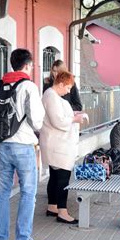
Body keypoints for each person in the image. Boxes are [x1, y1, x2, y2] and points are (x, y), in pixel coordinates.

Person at [0, 48, 45, 240]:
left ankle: (1, 237)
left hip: (1, 146)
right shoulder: (28, 86)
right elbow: (37, 121)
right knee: (28, 192)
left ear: (12, 64)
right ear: (28, 65)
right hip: (23, 146)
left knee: (2, 192)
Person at [40, 70, 88, 224]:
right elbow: (58, 121)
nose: (68, 91)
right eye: (67, 88)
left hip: (56, 143)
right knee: (62, 178)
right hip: (58, 145)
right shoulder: (51, 96)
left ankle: (53, 206)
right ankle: (62, 212)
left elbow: (60, 116)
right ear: (60, 84)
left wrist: (72, 114)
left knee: (55, 176)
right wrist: (76, 118)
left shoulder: (51, 96)